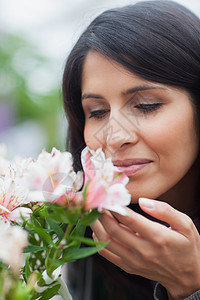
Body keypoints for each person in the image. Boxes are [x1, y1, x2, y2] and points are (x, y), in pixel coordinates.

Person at [62, 0, 200, 299]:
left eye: (146, 106)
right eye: (97, 111)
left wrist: (191, 285)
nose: (114, 137)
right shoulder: (74, 238)